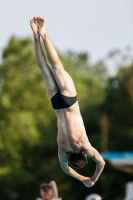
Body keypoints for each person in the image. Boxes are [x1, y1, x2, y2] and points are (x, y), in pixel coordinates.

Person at [30, 16, 105, 188]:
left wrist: (92, 178)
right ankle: (36, 36)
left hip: (70, 102)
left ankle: (44, 34)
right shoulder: (62, 150)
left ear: (84, 155)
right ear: (72, 156)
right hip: (56, 104)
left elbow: (101, 163)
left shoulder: (85, 145)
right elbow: (65, 169)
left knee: (57, 67)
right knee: (44, 68)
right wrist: (81, 178)